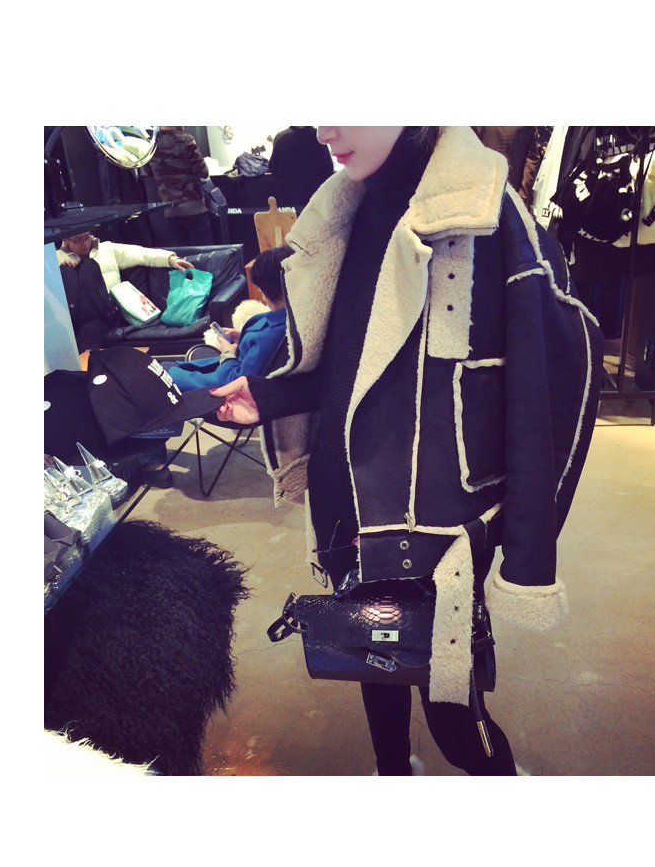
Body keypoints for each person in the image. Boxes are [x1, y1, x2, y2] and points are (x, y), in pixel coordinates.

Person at [216, 126, 601, 777]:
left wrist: (526, 554)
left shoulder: (484, 214)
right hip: (348, 501)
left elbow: (546, 393)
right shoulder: (345, 209)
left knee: (452, 706)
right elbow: (352, 366)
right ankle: (393, 774)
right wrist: (267, 395)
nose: (324, 128)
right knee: (372, 658)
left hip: (437, 523)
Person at [161, 247, 290, 394]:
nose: (261, 295)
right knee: (165, 367)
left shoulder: (273, 337)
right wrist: (243, 338)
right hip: (227, 365)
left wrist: (228, 352)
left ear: (268, 291)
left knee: (161, 373)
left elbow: (236, 382)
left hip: (222, 380)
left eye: (260, 290)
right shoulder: (284, 320)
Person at [57, 229, 192, 353]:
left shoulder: (107, 249)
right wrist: (60, 270)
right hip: (73, 315)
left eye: (87, 237)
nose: (85, 243)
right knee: (70, 274)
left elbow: (140, 253)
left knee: (91, 329)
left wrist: (171, 259)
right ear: (66, 240)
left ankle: (83, 366)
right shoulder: (55, 258)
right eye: (78, 240)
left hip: (106, 313)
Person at [152, 125, 212, 247]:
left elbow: (147, 173)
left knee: (183, 253)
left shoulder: (152, 145)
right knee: (205, 252)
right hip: (194, 209)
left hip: (170, 211)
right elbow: (203, 172)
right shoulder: (185, 140)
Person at [266, 124, 333, 213]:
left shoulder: (282, 138)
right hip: (315, 201)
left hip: (289, 201)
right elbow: (328, 169)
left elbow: (273, 168)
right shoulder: (318, 138)